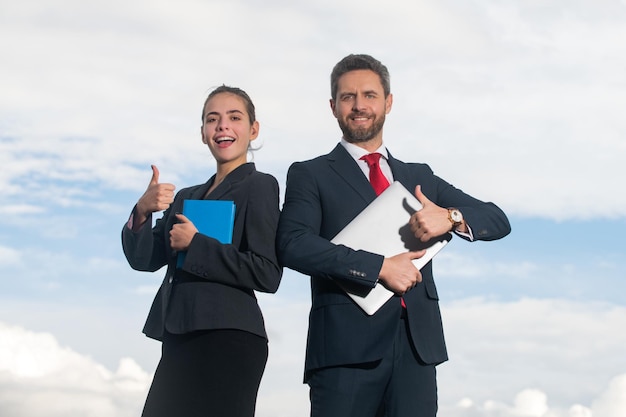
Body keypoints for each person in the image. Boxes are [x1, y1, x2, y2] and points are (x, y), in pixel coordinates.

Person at [276, 54, 511, 417]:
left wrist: (450, 217)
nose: (359, 106)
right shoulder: (310, 174)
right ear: (333, 107)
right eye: (347, 97)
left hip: (417, 350)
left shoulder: (421, 176)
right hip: (344, 351)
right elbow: (293, 244)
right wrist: (378, 267)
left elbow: (496, 219)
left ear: (388, 102)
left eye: (369, 95)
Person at [122, 85, 282, 417]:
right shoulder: (185, 197)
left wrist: (197, 245)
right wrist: (142, 210)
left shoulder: (260, 185)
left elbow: (267, 272)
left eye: (234, 117)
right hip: (179, 335)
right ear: (203, 133)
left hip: (230, 337)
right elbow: (143, 259)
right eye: (213, 119)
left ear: (253, 129)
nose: (222, 126)